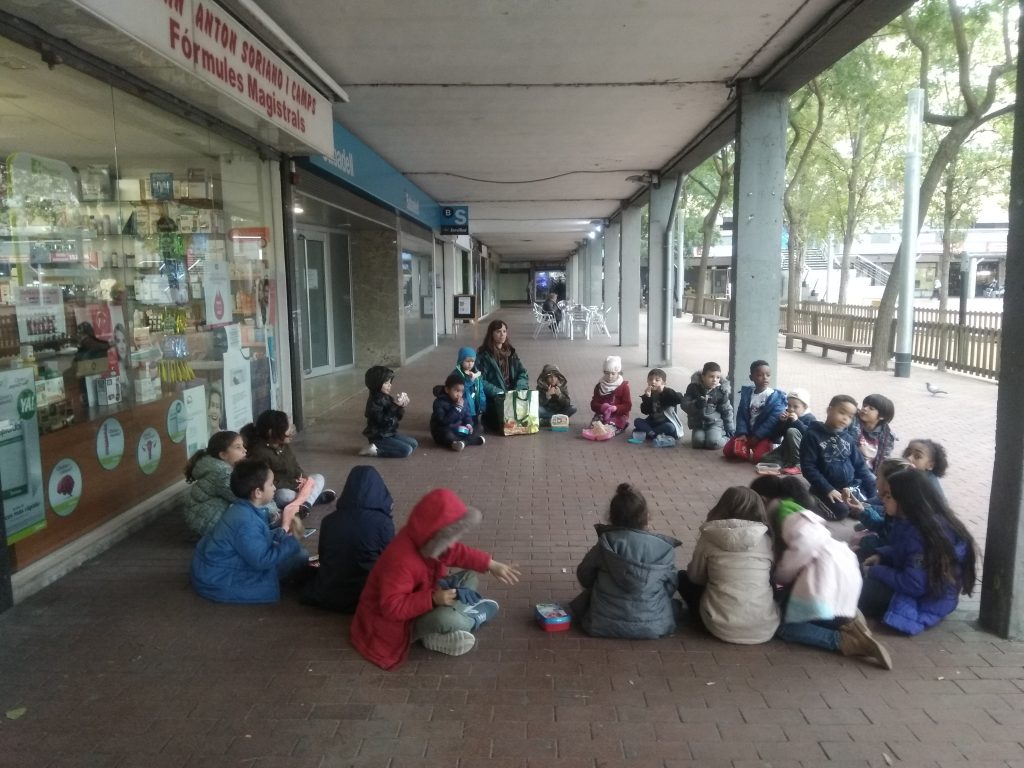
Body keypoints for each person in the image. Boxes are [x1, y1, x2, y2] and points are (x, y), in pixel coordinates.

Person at [350, 489, 521, 668]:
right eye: (450, 537)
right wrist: (433, 599)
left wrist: (490, 564)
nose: (453, 542)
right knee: (444, 619)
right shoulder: (401, 561)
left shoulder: (425, 539)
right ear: (437, 535)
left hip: (426, 595)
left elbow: (456, 552)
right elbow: (392, 608)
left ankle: (443, 627)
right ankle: (471, 618)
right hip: (393, 626)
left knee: (469, 576)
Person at [750, 475, 892, 670]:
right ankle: (849, 624)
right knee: (807, 610)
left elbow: (804, 545)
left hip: (824, 571)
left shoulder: (780, 509)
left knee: (783, 626)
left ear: (763, 499)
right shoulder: (796, 505)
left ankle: (844, 641)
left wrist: (780, 575)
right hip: (841, 563)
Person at [859, 468, 976, 636]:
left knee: (856, 592)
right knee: (863, 558)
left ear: (906, 500)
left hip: (924, 599)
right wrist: (882, 555)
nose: (882, 500)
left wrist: (876, 571)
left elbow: (914, 585)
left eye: (888, 496)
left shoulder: (920, 533)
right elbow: (903, 552)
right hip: (918, 584)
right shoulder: (909, 520)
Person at [190, 458, 309, 604]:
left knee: (294, 552)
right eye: (271, 484)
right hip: (223, 578)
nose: (274, 488)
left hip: (214, 569)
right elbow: (262, 561)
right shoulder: (247, 522)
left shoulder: (240, 509)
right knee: (300, 555)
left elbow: (255, 539)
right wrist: (292, 541)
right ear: (258, 492)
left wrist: (280, 534)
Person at [569, 483, 680, 639]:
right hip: (655, 625)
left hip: (602, 622)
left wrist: (598, 585)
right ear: (646, 517)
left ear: (611, 516)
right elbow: (670, 586)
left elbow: (584, 574)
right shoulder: (664, 549)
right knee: (675, 606)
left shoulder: (606, 543)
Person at [678, 487, 778, 644]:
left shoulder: (709, 536)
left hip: (718, 626)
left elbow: (695, 577)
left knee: (681, 577)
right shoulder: (767, 539)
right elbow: (772, 576)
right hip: (763, 626)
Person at [301, 466, 395, 613]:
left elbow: (324, 556)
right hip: (364, 592)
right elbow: (389, 560)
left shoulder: (329, 520)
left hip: (330, 591)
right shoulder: (383, 523)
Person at [800, 394, 877, 521]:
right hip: (825, 488)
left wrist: (872, 493)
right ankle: (811, 500)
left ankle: (851, 505)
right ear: (829, 410)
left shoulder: (848, 438)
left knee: (866, 508)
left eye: (850, 416)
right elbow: (808, 468)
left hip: (848, 488)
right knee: (841, 512)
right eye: (842, 412)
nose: (845, 418)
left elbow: (860, 465)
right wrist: (828, 489)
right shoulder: (812, 436)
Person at [245, 410, 336, 512]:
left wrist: (303, 478)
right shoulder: (259, 453)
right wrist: (294, 484)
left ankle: (305, 503)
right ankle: (311, 499)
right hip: (279, 490)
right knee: (284, 496)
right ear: (271, 432)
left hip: (295, 485)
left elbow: (295, 465)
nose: (291, 431)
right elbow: (266, 481)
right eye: (286, 428)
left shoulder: (283, 445)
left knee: (319, 478)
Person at [183, 431, 247, 538]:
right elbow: (243, 497)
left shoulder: (221, 467)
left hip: (202, 515)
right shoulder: (221, 472)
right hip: (206, 519)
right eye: (238, 447)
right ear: (223, 455)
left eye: (243, 446)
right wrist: (273, 512)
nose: (244, 450)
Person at [722, 360, 787, 463]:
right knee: (727, 452)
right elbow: (741, 416)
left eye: (768, 375)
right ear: (751, 377)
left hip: (764, 435)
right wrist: (742, 433)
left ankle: (771, 448)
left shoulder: (776, 397)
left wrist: (757, 437)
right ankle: (747, 448)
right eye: (760, 375)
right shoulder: (747, 394)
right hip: (748, 433)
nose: (765, 378)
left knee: (758, 458)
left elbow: (771, 421)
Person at [476, 320, 529, 432]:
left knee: (531, 411)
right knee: (502, 423)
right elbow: (480, 379)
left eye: (504, 331)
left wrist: (518, 388)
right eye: (498, 332)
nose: (502, 335)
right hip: (495, 398)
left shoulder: (511, 353)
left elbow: (522, 373)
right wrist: (499, 392)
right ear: (491, 334)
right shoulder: (484, 355)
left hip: (512, 394)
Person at [361, 365, 418, 458]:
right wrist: (395, 406)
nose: (390, 385)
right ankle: (375, 451)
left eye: (390, 382)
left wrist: (400, 406)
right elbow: (383, 421)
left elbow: (397, 417)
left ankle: (384, 446)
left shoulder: (387, 397)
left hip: (389, 433)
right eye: (386, 383)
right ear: (377, 383)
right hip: (379, 436)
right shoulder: (373, 402)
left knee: (414, 443)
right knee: (406, 450)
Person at [681, 362, 735, 450]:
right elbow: (684, 405)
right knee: (698, 442)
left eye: (718, 377)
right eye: (711, 376)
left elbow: (727, 410)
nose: (714, 380)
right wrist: (696, 404)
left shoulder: (721, 391)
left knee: (713, 443)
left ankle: (726, 438)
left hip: (714, 423)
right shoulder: (693, 388)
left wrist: (730, 428)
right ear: (703, 377)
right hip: (698, 424)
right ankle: (709, 437)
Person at [760, 388, 815, 473]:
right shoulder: (787, 416)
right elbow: (775, 437)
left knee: (791, 431)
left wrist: (796, 422)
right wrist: (781, 422)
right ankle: (787, 463)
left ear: (805, 407)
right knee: (764, 458)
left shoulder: (810, 418)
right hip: (786, 449)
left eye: (795, 406)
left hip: (803, 452)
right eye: (789, 405)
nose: (791, 409)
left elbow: (810, 436)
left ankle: (799, 464)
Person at [431, 373, 485, 451]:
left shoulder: (464, 401)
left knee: (479, 427)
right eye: (457, 391)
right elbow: (443, 421)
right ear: (447, 390)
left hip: (459, 429)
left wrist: (469, 424)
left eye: (461, 391)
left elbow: (467, 416)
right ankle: (469, 441)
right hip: (445, 429)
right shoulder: (439, 403)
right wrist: (457, 409)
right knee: (447, 434)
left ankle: (462, 443)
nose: (459, 394)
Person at [848, 394, 897, 474]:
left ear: (882, 416)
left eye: (871, 408)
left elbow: (884, 460)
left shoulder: (887, 437)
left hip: (867, 473)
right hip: (847, 466)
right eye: (864, 405)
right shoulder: (851, 419)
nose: (865, 409)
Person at [634, 368, 685, 440]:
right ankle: (653, 433)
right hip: (653, 422)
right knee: (637, 421)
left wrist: (664, 391)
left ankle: (648, 432)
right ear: (647, 381)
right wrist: (647, 397)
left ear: (663, 383)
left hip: (665, 422)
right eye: (650, 379)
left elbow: (679, 399)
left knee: (670, 427)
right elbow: (644, 411)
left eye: (657, 380)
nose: (653, 382)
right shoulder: (648, 394)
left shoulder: (668, 393)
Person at [590, 355, 631, 434]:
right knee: (595, 428)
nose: (610, 376)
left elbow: (627, 406)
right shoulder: (599, 386)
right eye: (607, 373)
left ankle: (622, 425)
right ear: (604, 372)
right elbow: (593, 404)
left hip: (618, 415)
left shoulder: (624, 386)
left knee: (609, 429)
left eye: (613, 373)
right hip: (602, 414)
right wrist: (601, 407)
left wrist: (616, 408)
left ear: (618, 373)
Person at [452, 347, 486, 432]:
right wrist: (471, 380)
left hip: (474, 406)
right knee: (464, 427)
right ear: (461, 360)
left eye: (472, 361)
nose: (470, 364)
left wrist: (482, 404)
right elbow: (460, 389)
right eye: (467, 361)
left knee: (476, 427)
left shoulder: (476, 374)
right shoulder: (456, 375)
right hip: (463, 407)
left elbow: (480, 390)